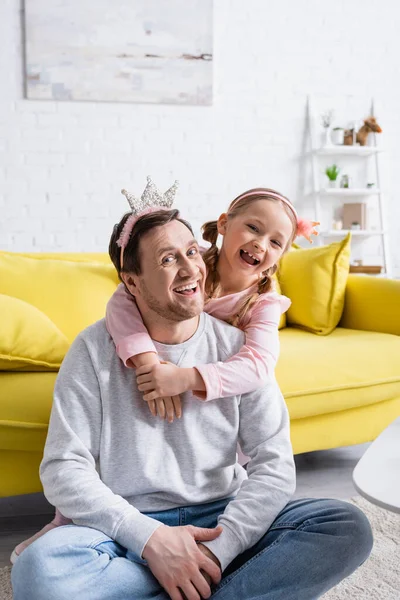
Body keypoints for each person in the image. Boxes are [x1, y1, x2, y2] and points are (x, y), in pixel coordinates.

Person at [12, 181, 373, 600]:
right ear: (131, 283)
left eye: (190, 252)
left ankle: (192, 578)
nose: (190, 268)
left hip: (219, 517)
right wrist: (152, 541)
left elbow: (273, 465)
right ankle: (198, 584)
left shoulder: (239, 348)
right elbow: (63, 470)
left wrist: (219, 552)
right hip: (127, 529)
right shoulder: (93, 349)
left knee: (344, 526)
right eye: (168, 259)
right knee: (41, 572)